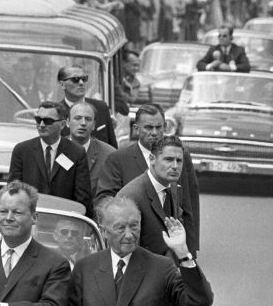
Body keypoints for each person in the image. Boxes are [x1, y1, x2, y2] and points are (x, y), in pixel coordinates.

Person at [64, 197, 213, 306]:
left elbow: (200, 299)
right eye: (120, 228)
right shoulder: (85, 267)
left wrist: (183, 253)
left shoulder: (161, 267)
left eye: (134, 226)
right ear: (104, 231)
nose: (129, 235)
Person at [95, 104, 200, 254]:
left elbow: (189, 204)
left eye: (159, 127)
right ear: (136, 129)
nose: (154, 133)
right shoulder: (118, 159)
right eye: (148, 128)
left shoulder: (180, 155)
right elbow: (105, 200)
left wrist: (189, 247)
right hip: (138, 246)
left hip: (172, 250)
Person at [8, 101, 92, 216]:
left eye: (48, 121)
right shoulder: (22, 151)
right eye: (38, 120)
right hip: (30, 219)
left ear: (62, 124)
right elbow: (13, 192)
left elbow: (83, 197)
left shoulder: (76, 152)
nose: (41, 125)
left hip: (64, 222)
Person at [117, 136, 192, 258]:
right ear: (152, 159)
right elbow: (124, 252)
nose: (175, 166)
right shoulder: (130, 196)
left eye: (179, 161)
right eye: (168, 159)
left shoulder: (171, 187)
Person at [57, 65, 117, 148]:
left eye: (84, 78)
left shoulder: (101, 107)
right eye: (75, 79)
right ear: (62, 84)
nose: (81, 83)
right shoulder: (56, 112)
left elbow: (112, 146)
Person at [67, 102, 115, 198]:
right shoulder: (56, 149)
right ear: (68, 123)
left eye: (88, 119)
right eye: (77, 118)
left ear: (94, 125)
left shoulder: (109, 154)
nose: (83, 123)